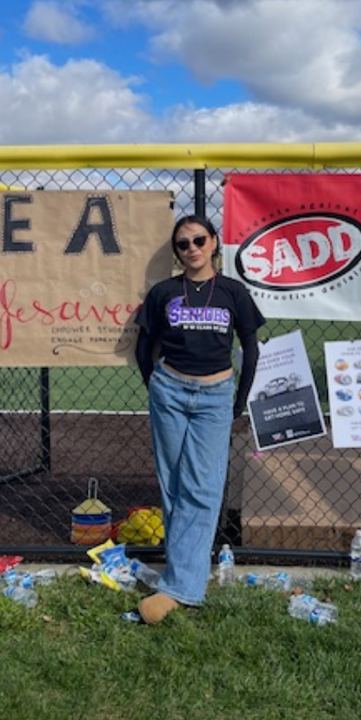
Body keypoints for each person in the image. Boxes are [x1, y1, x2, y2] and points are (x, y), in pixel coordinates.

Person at [134, 214, 265, 624]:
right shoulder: (163, 293)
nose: (191, 248)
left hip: (215, 396)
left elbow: (250, 349)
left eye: (198, 240)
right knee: (173, 485)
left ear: (214, 243)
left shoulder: (233, 292)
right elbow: (144, 346)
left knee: (204, 487)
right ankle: (183, 577)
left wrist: (239, 402)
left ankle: (181, 588)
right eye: (182, 244)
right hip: (170, 391)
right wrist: (155, 385)